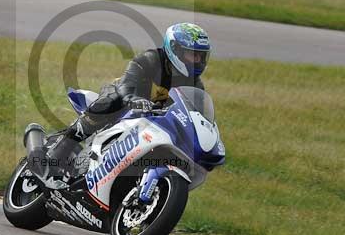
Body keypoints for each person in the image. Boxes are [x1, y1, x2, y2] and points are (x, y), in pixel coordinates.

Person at [35, 22, 212, 177]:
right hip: (125, 100)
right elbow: (127, 83)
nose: (197, 60)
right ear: (176, 49)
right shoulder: (150, 59)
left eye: (200, 56)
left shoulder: (196, 86)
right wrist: (131, 98)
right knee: (113, 100)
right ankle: (55, 154)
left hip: (154, 122)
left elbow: (194, 117)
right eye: (192, 54)